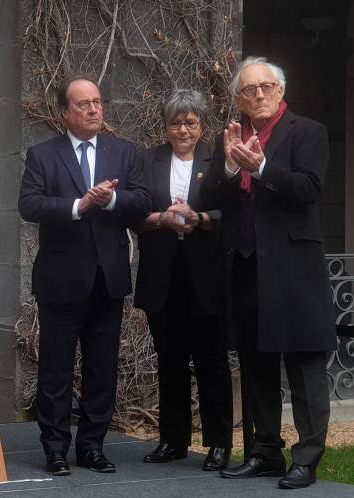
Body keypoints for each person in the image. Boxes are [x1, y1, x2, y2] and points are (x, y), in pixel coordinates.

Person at [200, 57, 335, 489]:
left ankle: (307, 459)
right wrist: (228, 167)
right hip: (244, 267)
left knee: (304, 365)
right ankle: (265, 451)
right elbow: (207, 195)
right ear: (238, 97)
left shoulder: (307, 131)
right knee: (256, 365)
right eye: (248, 89)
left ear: (280, 90)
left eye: (266, 87)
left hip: (292, 270)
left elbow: (309, 188)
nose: (257, 94)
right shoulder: (232, 137)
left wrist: (259, 169)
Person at [19, 74, 151, 476]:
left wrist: (112, 200)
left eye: (97, 102)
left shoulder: (124, 152)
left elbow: (144, 201)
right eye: (83, 104)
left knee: (102, 370)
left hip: (107, 280)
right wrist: (78, 205)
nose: (94, 109)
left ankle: (92, 446)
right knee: (56, 370)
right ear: (65, 112)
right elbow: (30, 205)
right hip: (60, 281)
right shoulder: (43, 155)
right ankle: (55, 449)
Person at [134, 90, 233, 471]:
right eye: (176, 122)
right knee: (170, 361)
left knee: (212, 361)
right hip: (163, 276)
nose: (183, 129)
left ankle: (219, 444)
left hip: (206, 277)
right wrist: (162, 217)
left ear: (202, 125)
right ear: (165, 125)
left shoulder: (220, 159)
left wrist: (201, 218)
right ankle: (172, 441)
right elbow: (136, 208)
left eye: (190, 121)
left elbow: (233, 211)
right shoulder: (149, 160)